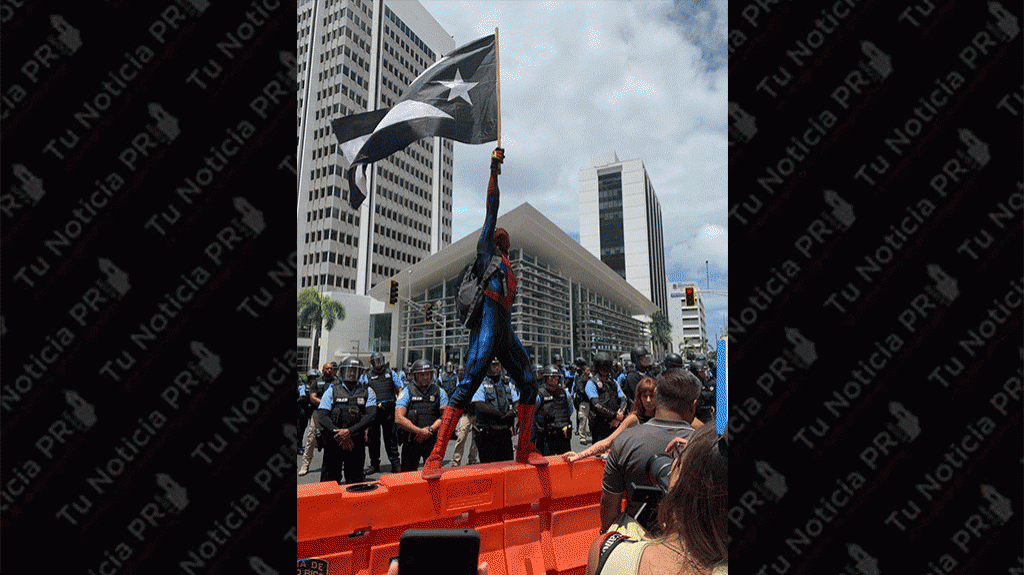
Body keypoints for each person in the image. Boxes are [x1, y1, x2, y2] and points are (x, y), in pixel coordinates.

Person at [421, 148, 547, 480]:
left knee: (529, 384)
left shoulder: (508, 266)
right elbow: (491, 208)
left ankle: (525, 447)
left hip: (504, 328)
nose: (501, 235)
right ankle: (436, 456)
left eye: (504, 238)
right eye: (498, 235)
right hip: (488, 324)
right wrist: (494, 169)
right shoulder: (486, 251)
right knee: (466, 385)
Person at [586, 424, 728, 575]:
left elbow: (608, 505)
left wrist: (699, 452)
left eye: (678, 459)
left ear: (677, 483)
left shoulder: (606, 553)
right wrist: (711, 457)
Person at [600, 369, 700, 534]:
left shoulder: (625, 440)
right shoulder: (704, 446)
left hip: (638, 538)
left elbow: (609, 505)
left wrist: (608, 537)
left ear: (657, 397)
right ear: (693, 405)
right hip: (688, 538)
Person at [563, 376, 657, 463]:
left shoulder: (661, 417)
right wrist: (579, 455)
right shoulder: (633, 419)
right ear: (640, 398)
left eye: (651, 396)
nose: (648, 400)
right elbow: (607, 442)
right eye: (645, 396)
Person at [315, 357, 376, 483]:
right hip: (334, 441)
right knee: (329, 481)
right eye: (349, 370)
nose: (352, 373)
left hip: (356, 443)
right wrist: (340, 434)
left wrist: (349, 432)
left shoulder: (368, 391)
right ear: (342, 372)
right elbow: (322, 416)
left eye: (355, 371)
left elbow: (371, 416)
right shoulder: (331, 390)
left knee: (355, 482)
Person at [394, 359, 448, 472]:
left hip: (431, 440)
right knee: (408, 476)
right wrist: (419, 431)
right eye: (421, 375)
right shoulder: (407, 392)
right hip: (411, 441)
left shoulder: (440, 392)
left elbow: (444, 416)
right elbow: (398, 418)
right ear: (415, 375)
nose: (425, 377)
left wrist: (430, 430)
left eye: (428, 374)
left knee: (433, 475)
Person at [362, 352, 404, 474]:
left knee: (391, 438)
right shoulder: (367, 376)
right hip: (374, 410)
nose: (379, 364)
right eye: (376, 361)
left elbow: (400, 387)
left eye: (380, 360)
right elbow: (362, 389)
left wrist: (400, 401)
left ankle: (395, 464)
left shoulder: (390, 373)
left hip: (389, 409)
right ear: (372, 363)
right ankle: (374, 465)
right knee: (373, 439)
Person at [472, 358, 519, 463]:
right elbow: (480, 405)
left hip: (505, 434)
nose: (497, 367)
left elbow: (516, 401)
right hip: (488, 435)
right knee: (490, 468)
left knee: (507, 467)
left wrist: (514, 412)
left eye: (498, 365)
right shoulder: (481, 382)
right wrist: (501, 415)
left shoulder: (507, 382)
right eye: (494, 365)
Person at [299, 364, 334, 476]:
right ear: (323, 370)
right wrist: (325, 404)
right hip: (318, 412)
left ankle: (338, 463)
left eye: (331, 368)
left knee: (335, 437)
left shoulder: (337, 382)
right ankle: (305, 464)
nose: (329, 370)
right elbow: (312, 397)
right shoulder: (316, 382)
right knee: (311, 437)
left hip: (333, 413)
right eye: (327, 368)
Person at [532, 364, 575, 456]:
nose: (554, 380)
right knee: (546, 461)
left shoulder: (564, 393)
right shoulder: (539, 394)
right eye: (551, 378)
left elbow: (570, 410)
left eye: (556, 378)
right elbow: (533, 413)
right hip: (546, 436)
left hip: (562, 435)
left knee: (565, 460)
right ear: (546, 378)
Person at [586, 352, 626, 445]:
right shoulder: (591, 383)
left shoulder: (613, 382)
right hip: (599, 426)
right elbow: (596, 404)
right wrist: (614, 415)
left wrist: (619, 416)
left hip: (615, 424)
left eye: (607, 367)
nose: (605, 370)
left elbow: (623, 399)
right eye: (602, 367)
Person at [573, 358, 592, 445]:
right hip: (584, 402)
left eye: (589, 370)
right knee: (583, 420)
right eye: (587, 370)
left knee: (591, 420)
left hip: (591, 402)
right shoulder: (581, 380)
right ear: (583, 371)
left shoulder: (591, 379)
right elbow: (581, 390)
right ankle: (583, 437)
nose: (588, 372)